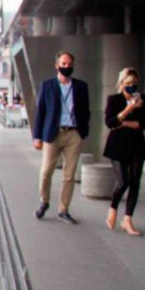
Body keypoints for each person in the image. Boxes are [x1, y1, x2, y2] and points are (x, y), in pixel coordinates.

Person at [32, 51, 91, 224]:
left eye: (69, 64)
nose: (67, 67)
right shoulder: (48, 85)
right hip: (53, 133)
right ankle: (44, 201)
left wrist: (83, 132)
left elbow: (86, 110)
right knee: (46, 172)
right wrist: (37, 136)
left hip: (73, 134)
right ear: (57, 65)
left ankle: (63, 209)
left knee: (69, 175)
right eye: (63, 64)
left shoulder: (81, 86)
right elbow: (41, 111)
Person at [103, 68, 145, 236]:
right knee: (123, 182)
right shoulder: (114, 99)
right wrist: (130, 109)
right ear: (121, 83)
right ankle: (113, 208)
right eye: (128, 83)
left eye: (134, 83)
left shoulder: (143, 99)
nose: (132, 86)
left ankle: (127, 220)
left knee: (135, 182)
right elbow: (110, 123)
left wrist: (123, 123)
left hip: (137, 145)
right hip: (117, 146)